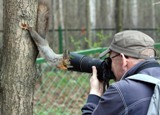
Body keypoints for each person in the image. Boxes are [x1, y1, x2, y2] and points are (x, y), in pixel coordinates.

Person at [81, 30, 160, 115]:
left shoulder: (122, 91)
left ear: (123, 60)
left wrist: (94, 94)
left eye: (110, 59)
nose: (110, 66)